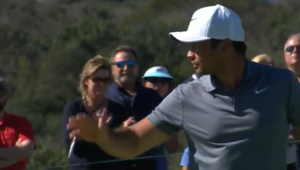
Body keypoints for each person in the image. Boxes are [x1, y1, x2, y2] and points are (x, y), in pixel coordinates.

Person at [66, 4, 300, 170]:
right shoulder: (185, 95)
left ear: (225, 47)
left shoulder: (282, 83)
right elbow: (135, 141)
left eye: (196, 45)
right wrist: (103, 137)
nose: (188, 54)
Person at [62, 55, 128, 170]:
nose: (101, 84)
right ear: (86, 81)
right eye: (96, 79)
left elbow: (124, 143)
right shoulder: (75, 107)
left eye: (105, 80)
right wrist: (107, 133)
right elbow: (69, 140)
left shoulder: (118, 109)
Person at [105, 45, 163, 170]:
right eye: (120, 64)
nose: (126, 68)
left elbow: (163, 129)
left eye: (131, 64)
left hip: (148, 165)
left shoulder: (152, 97)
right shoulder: (104, 97)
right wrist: (121, 130)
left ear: (137, 67)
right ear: (112, 69)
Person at [252, 54, 297, 170]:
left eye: (269, 69)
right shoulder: (246, 101)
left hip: (288, 161)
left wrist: (292, 136)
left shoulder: (285, 95)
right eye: (260, 70)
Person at [142, 66, 179, 170]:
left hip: (157, 161)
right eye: (153, 80)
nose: (158, 85)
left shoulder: (172, 110)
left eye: (163, 81)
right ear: (144, 83)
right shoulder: (135, 105)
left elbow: (172, 149)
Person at [0, 78, 35, 170]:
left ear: (7, 96)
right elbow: (23, 152)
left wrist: (22, 153)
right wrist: (16, 155)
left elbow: (26, 150)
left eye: (0, 92)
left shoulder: (20, 123)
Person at [283, 34, 300, 170]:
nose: (294, 51)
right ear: (285, 57)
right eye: (290, 48)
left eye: (299, 48)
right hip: (287, 158)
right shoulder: (277, 85)